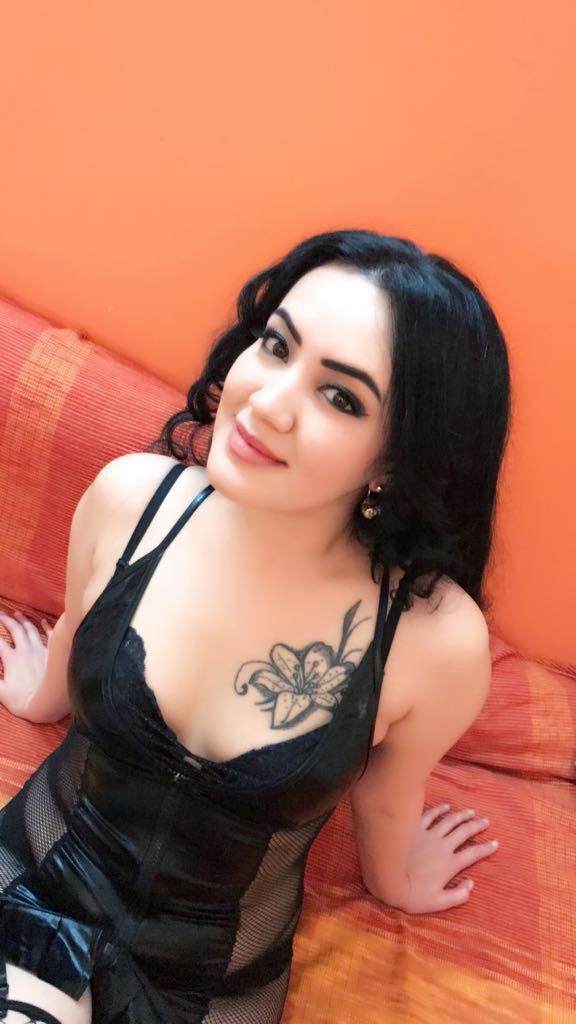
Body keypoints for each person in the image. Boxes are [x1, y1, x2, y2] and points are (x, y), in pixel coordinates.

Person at [0, 229, 511, 1023]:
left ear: (398, 460)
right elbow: (78, 625)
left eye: (340, 397)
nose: (267, 402)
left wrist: (401, 883)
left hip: (205, 985)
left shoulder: (434, 641)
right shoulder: (132, 501)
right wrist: (39, 695)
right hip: (41, 888)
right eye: (276, 346)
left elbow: (386, 799)